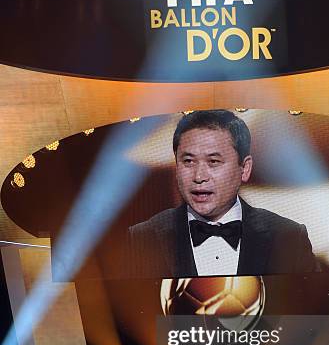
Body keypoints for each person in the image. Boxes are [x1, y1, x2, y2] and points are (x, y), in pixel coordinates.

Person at [128, 109, 317, 278]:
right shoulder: (143, 238)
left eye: (214, 162)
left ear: (244, 168)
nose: (199, 176)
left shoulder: (289, 237)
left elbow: (312, 314)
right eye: (188, 162)